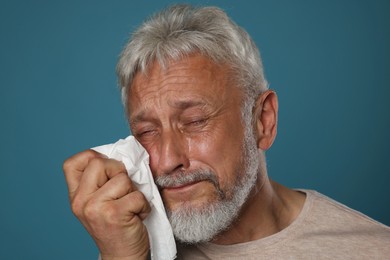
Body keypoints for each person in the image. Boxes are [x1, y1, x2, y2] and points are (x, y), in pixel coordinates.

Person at [63, 4, 390, 259]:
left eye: (193, 122)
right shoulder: (128, 243)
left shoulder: (375, 251)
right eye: (147, 131)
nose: (165, 161)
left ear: (263, 120)